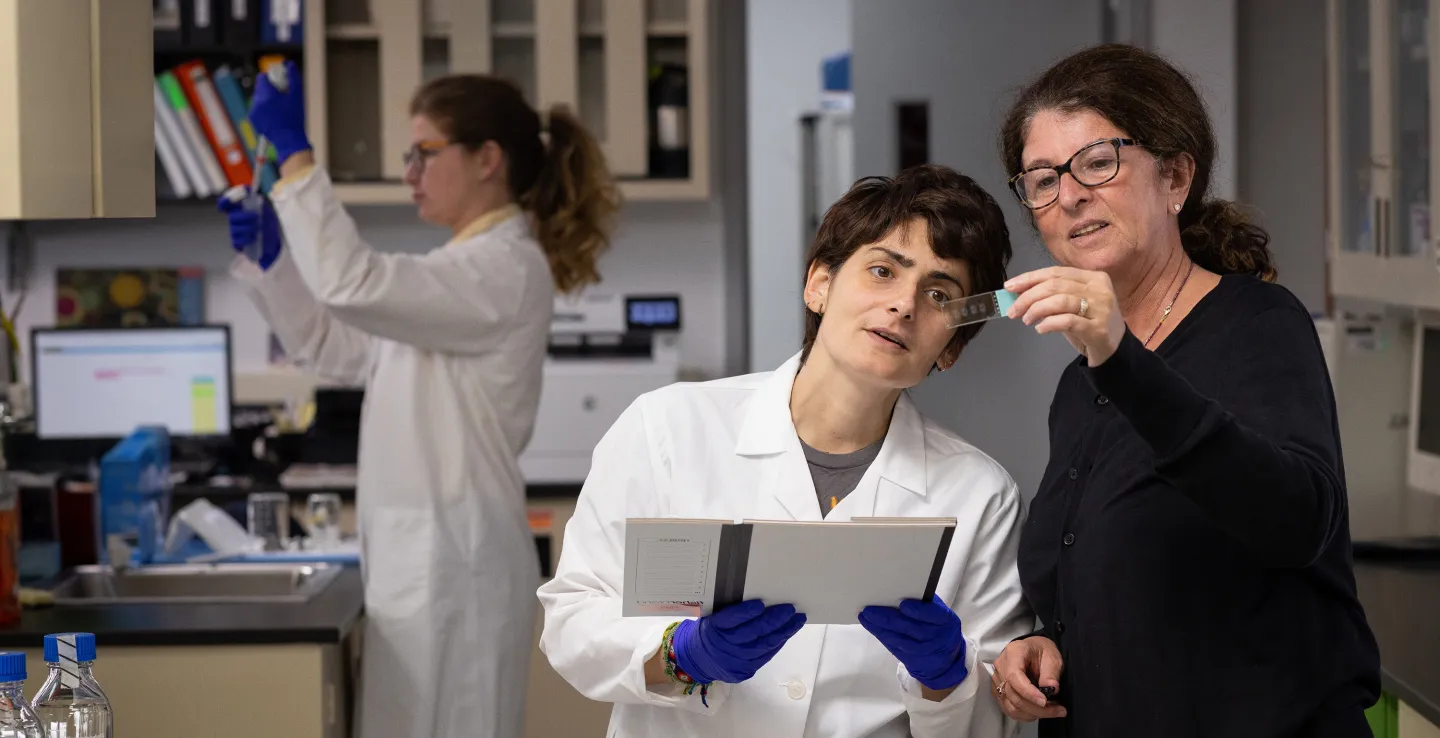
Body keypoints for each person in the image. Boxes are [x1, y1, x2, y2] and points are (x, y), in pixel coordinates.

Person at [537, 164, 1033, 737]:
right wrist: (683, 655)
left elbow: (997, 720)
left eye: (939, 294)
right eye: (881, 271)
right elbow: (574, 617)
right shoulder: (668, 429)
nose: (904, 305)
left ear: (950, 350)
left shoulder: (979, 494)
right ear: (818, 284)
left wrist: (947, 678)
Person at [987, 44, 1380, 737]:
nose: (1070, 194)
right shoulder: (1081, 386)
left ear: (1174, 177)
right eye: (1042, 179)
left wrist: (1121, 361)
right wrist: (1044, 646)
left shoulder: (1258, 324)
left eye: (1098, 162)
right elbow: (1119, 602)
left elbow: (1295, 522)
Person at [217, 63, 621, 738]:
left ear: (487, 159)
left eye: (424, 153)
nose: (409, 171)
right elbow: (333, 344)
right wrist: (272, 264)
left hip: (456, 568)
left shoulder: (501, 268)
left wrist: (295, 163)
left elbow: (351, 284)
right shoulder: (455, 271)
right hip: (425, 566)